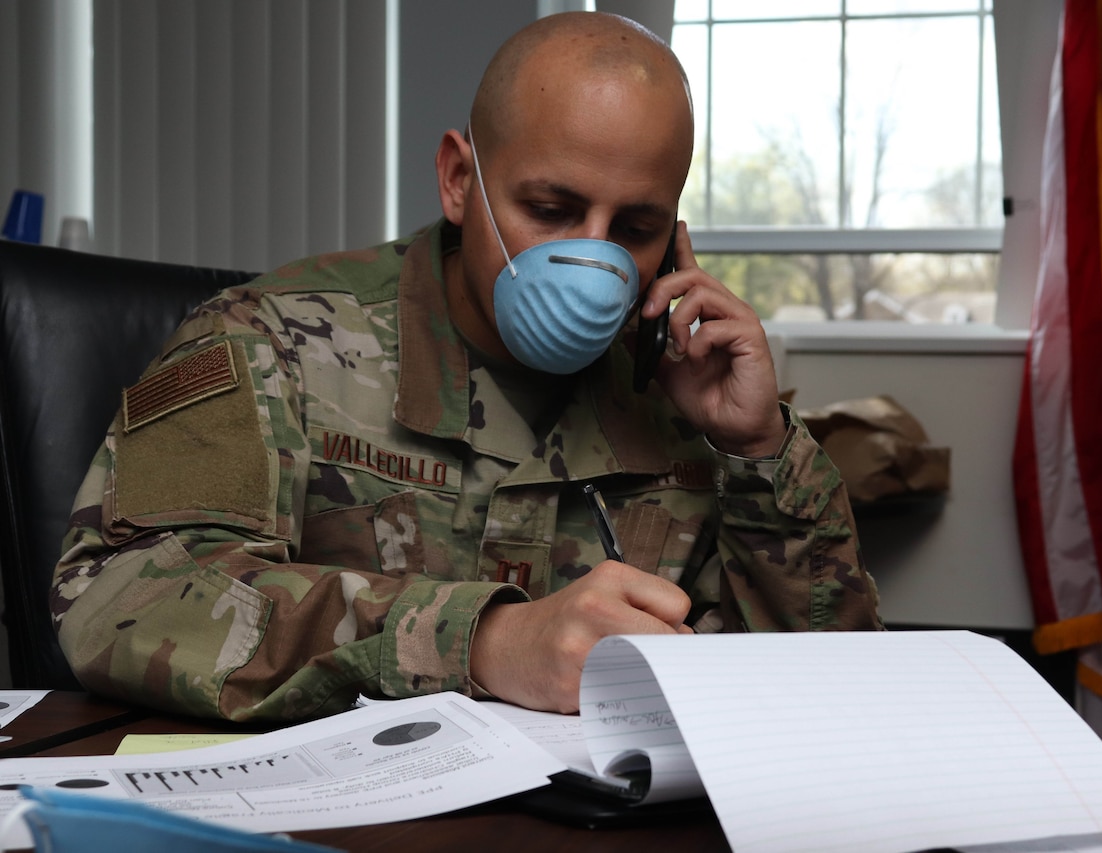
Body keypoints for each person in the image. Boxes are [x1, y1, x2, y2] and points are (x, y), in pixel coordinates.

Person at [50, 11, 881, 722]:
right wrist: (481, 641)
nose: (590, 259)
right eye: (550, 209)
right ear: (458, 179)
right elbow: (121, 599)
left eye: (633, 227)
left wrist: (760, 451)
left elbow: (830, 697)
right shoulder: (273, 342)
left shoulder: (678, 388)